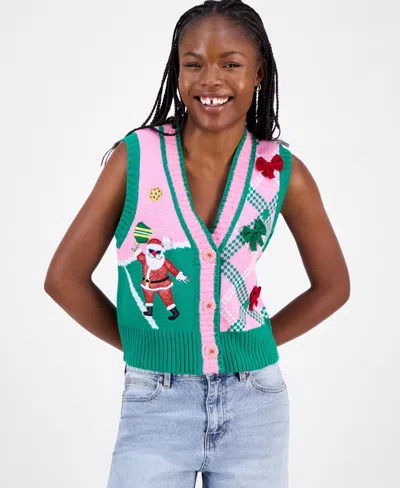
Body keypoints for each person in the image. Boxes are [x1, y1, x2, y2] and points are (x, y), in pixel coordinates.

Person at [44, 0, 350, 486]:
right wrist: (149, 345)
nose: (211, 80)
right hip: (155, 404)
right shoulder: (136, 159)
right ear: (177, 71)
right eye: (194, 64)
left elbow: (333, 286)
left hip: (256, 407)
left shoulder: (279, 172)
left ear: (258, 73)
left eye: (230, 64)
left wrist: (251, 345)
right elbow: (62, 279)